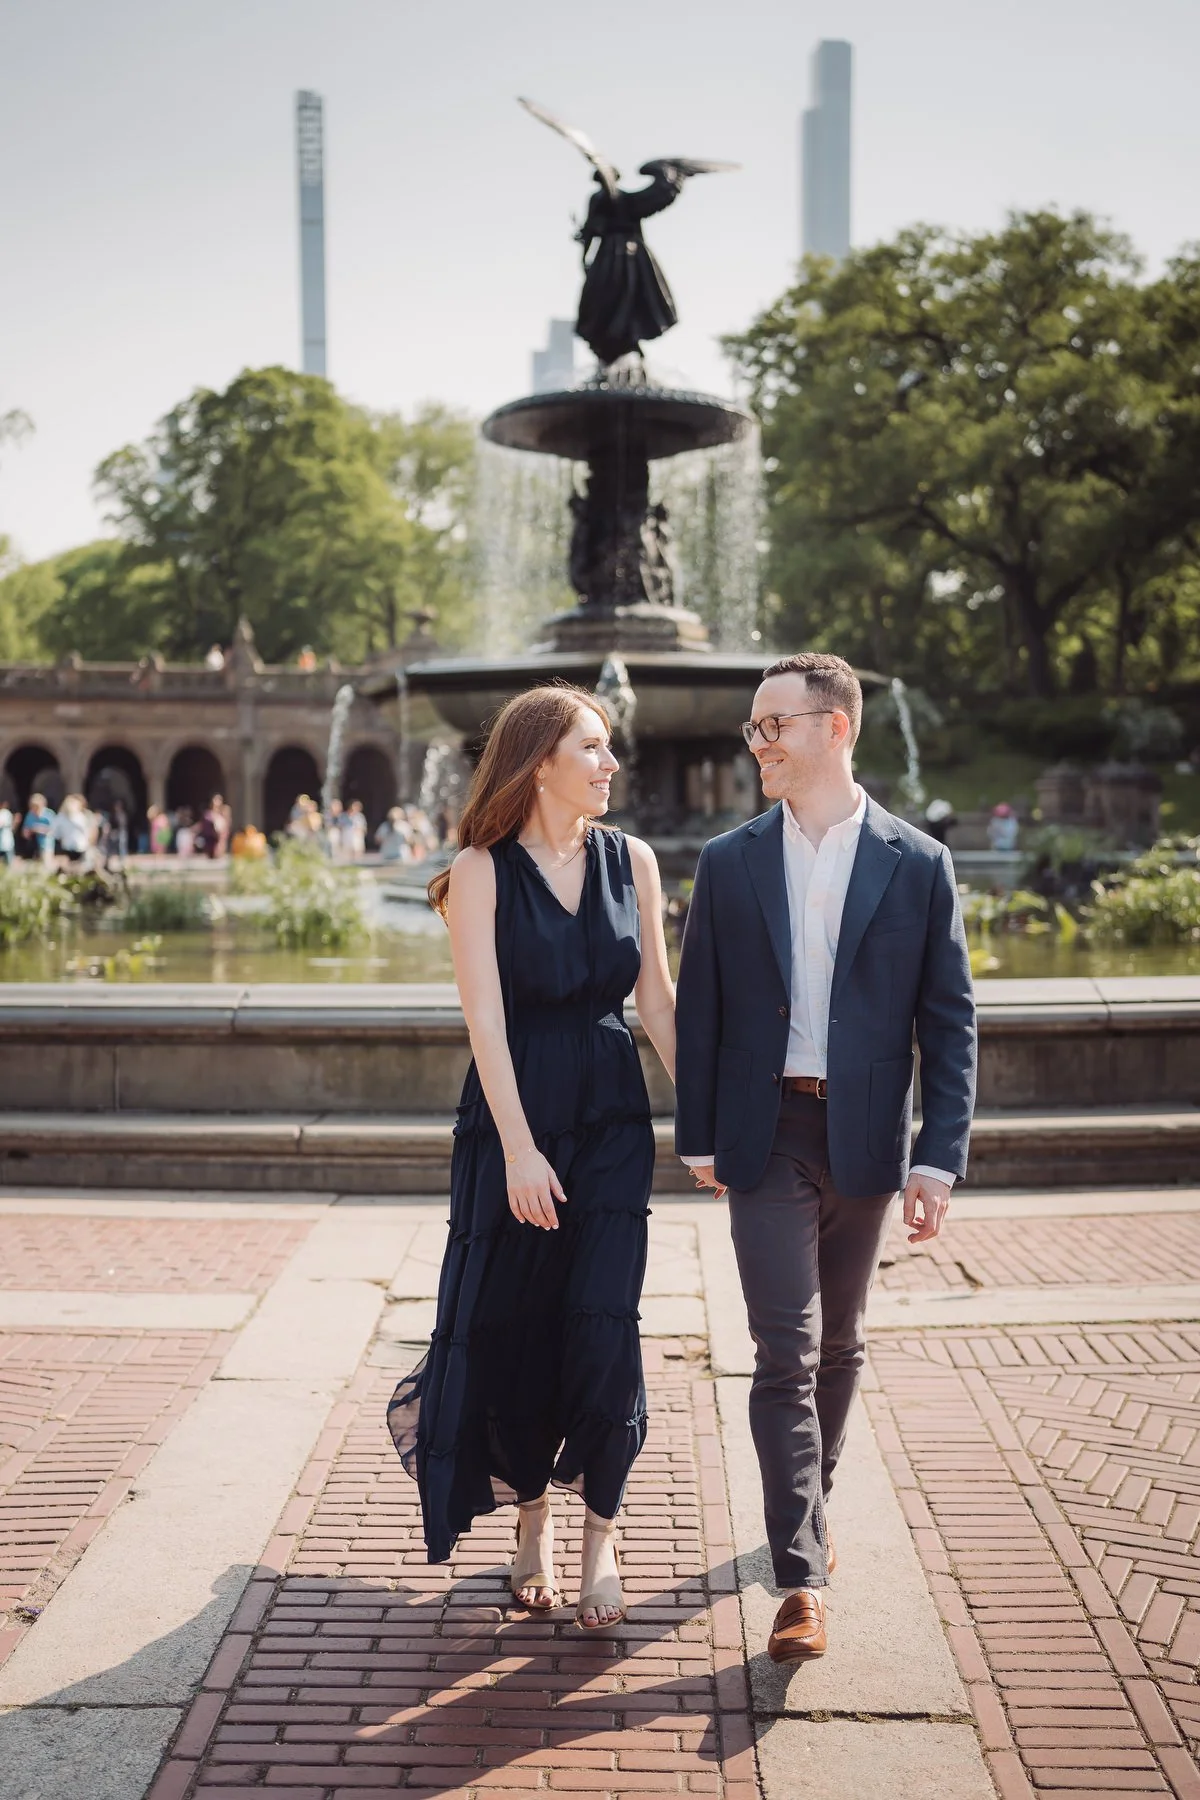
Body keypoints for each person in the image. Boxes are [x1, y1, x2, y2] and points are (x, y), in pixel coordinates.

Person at [675, 652, 976, 1666]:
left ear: (835, 727)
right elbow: (705, 1008)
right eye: (753, 729)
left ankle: (811, 1509)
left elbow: (950, 1019)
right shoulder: (728, 861)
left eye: (775, 726)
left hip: (864, 1142)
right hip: (765, 1138)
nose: (758, 744)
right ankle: (799, 1578)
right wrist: (702, 1134)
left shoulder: (918, 862)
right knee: (785, 1350)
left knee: (840, 1346)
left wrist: (940, 1156)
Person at [387, 684, 676, 1630]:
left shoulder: (632, 861)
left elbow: (659, 1006)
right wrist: (517, 1149)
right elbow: (486, 1022)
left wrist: (707, 1121)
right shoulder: (478, 871)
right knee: (516, 1324)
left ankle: (603, 1535)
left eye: (609, 747)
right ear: (539, 760)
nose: (610, 764)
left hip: (611, 1119)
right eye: (592, 747)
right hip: (512, 1121)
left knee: (602, 1322)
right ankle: (532, 1527)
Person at [21, 794, 56, 864]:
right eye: (33, 807)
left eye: (37, 807)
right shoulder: (30, 815)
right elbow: (24, 831)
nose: (35, 809)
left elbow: (54, 830)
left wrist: (39, 829)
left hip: (46, 844)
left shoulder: (49, 814)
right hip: (34, 845)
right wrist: (28, 832)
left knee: (47, 863)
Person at [0, 802, 14, 867]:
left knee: (8, 863)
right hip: (2, 843)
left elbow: (1, 823)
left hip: (5, 842)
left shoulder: (5, 813)